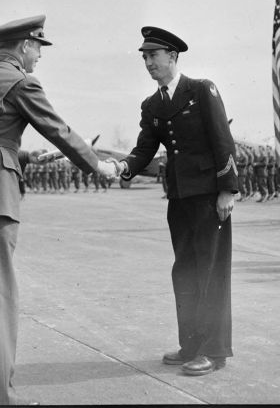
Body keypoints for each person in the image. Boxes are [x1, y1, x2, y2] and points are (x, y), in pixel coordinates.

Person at [0, 15, 116, 405]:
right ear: (25, 46)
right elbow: (58, 129)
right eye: (38, 49)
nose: (39, 58)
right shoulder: (21, 81)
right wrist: (98, 166)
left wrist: (23, 155)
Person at [110, 26, 237, 376]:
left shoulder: (201, 90)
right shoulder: (152, 104)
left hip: (210, 198)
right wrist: (121, 166)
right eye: (145, 57)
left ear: (173, 56)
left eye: (154, 55)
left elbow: (222, 140)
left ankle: (214, 351)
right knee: (185, 271)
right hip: (179, 197)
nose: (148, 62)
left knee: (211, 272)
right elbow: (144, 149)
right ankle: (191, 345)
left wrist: (227, 189)